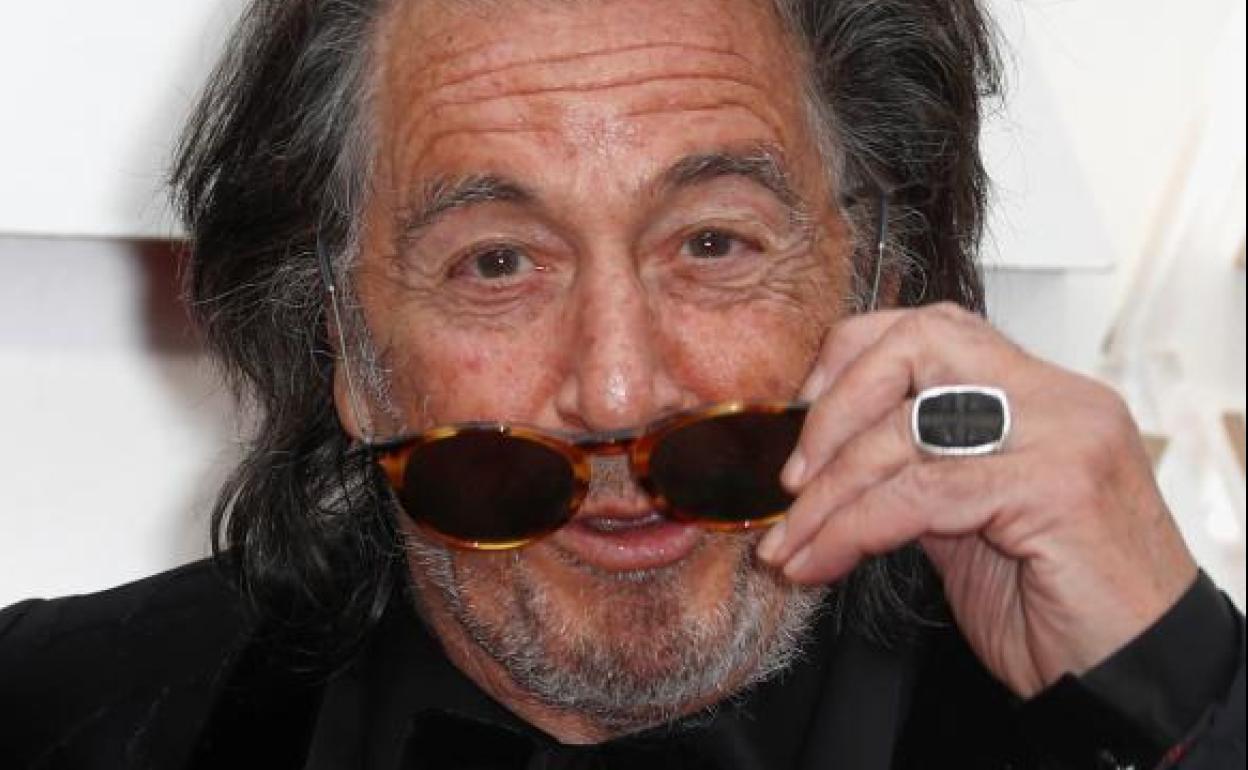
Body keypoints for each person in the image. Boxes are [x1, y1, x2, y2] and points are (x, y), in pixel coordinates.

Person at [1, 0, 1243, 767]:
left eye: (712, 242)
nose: (614, 386)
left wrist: (1181, 691)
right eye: (497, 262)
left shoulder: (1112, 720)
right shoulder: (60, 708)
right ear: (346, 346)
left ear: (881, 276)